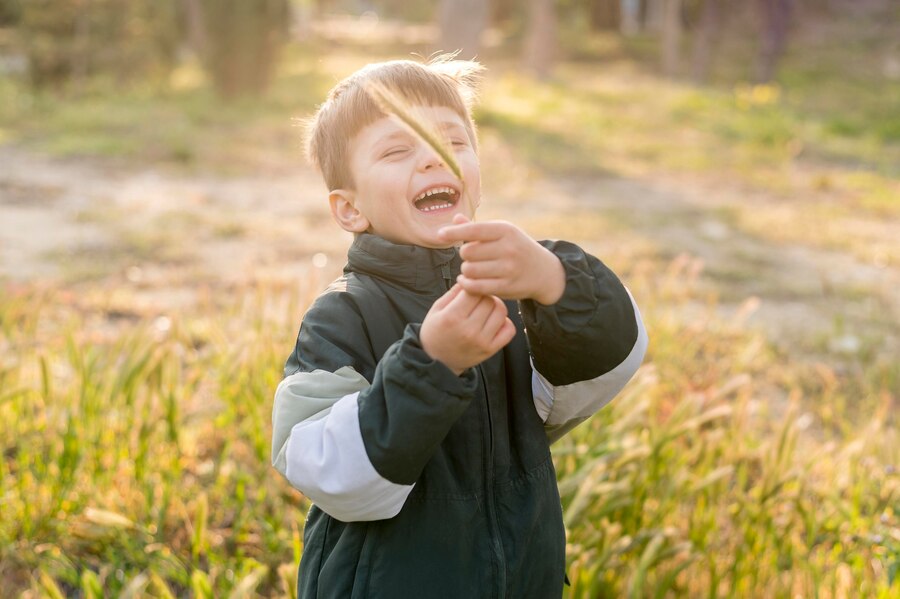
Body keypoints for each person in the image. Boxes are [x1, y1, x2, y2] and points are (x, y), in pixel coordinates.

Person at [271, 55, 648, 599]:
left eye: (453, 141)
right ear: (349, 209)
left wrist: (555, 280)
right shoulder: (344, 315)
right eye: (398, 150)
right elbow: (326, 471)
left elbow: (596, 378)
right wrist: (432, 364)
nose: (432, 158)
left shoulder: (514, 290)